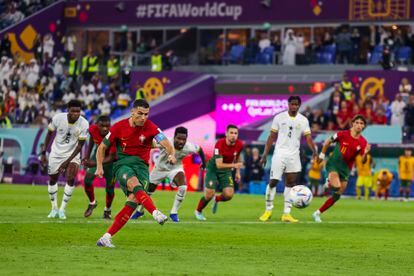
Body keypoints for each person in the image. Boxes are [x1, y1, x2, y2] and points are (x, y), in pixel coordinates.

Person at [96, 99, 176, 248]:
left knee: (132, 201)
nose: (143, 117)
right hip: (123, 165)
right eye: (140, 113)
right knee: (134, 183)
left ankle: (106, 237)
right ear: (132, 112)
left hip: (142, 169)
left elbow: (167, 144)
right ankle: (155, 212)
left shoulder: (151, 127)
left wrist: (171, 154)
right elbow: (101, 148)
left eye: (146, 114)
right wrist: (99, 167)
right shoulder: (119, 127)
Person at [259, 96, 317, 223]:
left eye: (296, 104)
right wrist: (264, 154)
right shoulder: (279, 118)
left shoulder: (303, 120)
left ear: (299, 105)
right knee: (273, 181)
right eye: (292, 104)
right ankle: (268, 210)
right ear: (288, 104)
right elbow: (271, 136)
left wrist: (314, 151)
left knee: (290, 183)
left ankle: (286, 213)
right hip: (279, 154)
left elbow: (308, 138)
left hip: (294, 156)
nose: (294, 106)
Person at [132, 126, 206, 222]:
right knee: (147, 192)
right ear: (174, 137)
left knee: (183, 187)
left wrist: (204, 163)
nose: (181, 141)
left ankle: (173, 213)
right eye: (179, 138)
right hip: (159, 169)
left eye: (184, 139)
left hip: (175, 169)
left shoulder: (189, 147)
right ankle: (140, 211)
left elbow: (199, 149)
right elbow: (152, 144)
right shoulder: (166, 142)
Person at [312, 115, 370, 223]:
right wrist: (322, 155)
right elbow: (328, 142)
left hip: (346, 169)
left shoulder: (363, 142)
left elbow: (363, 161)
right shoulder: (342, 134)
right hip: (333, 164)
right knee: (337, 185)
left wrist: (366, 153)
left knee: (337, 195)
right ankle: (328, 181)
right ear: (352, 123)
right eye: (357, 122)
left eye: (361, 124)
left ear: (364, 127)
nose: (359, 125)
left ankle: (317, 213)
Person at [41, 100, 89, 219]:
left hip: (73, 154)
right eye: (73, 111)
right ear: (68, 110)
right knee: (53, 179)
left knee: (71, 178)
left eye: (78, 111)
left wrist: (67, 161)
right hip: (56, 153)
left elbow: (80, 146)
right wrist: (43, 153)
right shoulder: (58, 118)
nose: (76, 114)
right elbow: (49, 134)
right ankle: (54, 208)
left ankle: (62, 209)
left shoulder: (84, 123)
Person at [194, 125, 244, 221]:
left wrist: (238, 172)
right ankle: (198, 211)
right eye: (231, 133)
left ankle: (217, 199)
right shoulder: (220, 144)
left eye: (236, 133)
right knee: (209, 194)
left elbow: (237, 157)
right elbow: (219, 165)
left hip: (226, 171)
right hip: (213, 169)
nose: (233, 135)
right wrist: (234, 166)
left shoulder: (240, 144)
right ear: (226, 134)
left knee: (229, 195)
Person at [82, 116, 117, 219]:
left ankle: (107, 210)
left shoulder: (113, 134)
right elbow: (93, 140)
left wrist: (94, 164)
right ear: (97, 125)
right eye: (102, 126)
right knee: (87, 179)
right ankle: (92, 203)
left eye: (107, 126)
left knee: (110, 188)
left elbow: (111, 157)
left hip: (112, 163)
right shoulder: (92, 129)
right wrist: (88, 157)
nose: (105, 128)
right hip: (97, 156)